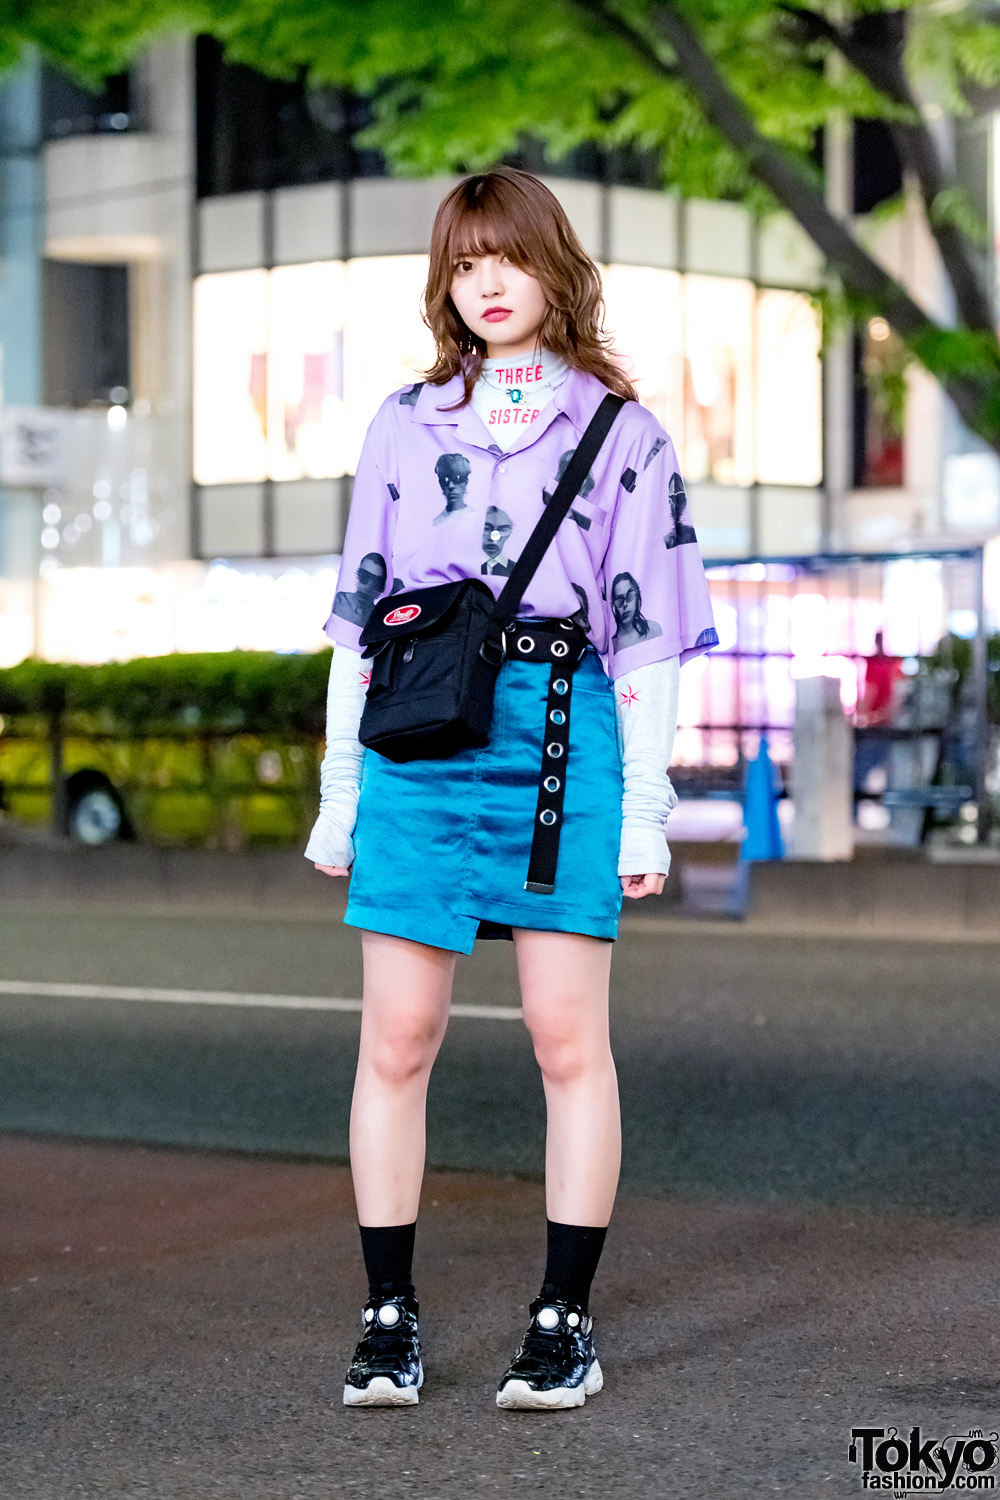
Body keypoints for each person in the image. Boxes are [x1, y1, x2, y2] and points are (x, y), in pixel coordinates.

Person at [305, 167, 717, 1412]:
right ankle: (388, 1316)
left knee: (564, 1036)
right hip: (418, 739)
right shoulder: (402, 421)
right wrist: (340, 794)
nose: (486, 283)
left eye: (507, 257)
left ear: (554, 268)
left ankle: (563, 1321)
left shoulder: (620, 433)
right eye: (463, 261)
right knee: (397, 1037)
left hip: (561, 737)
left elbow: (641, 640)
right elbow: (357, 624)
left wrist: (644, 807)